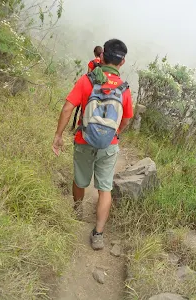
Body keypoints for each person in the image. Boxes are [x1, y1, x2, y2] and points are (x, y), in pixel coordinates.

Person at [52, 39, 133, 250]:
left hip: (84, 139)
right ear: (122, 62)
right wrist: (116, 133)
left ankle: (77, 211)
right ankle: (98, 234)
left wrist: (58, 135)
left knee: (80, 180)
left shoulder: (87, 80)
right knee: (104, 189)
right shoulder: (124, 89)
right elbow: (125, 119)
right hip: (109, 144)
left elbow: (68, 107)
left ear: (102, 57)